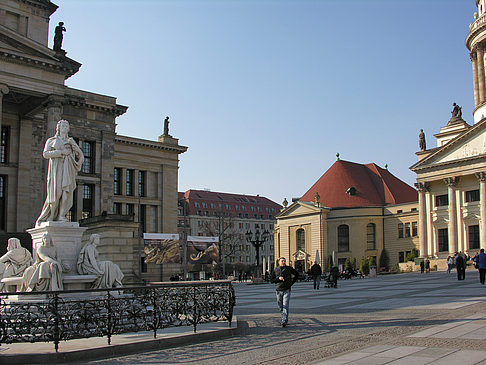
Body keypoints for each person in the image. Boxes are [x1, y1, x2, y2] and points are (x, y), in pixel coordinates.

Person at [36, 120, 84, 226]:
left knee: (66, 193)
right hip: (56, 169)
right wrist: (60, 153)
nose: (64, 127)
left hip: (68, 169)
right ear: (58, 128)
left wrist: (74, 149)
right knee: (56, 193)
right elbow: (45, 154)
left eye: (66, 126)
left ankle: (62, 215)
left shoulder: (71, 141)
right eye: (62, 126)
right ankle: (52, 215)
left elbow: (80, 155)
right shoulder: (52, 140)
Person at [270, 257, 299, 327]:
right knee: (280, 305)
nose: (283, 262)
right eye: (282, 261)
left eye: (284, 261)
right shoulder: (275, 269)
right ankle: (284, 315)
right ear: (278, 262)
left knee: (285, 304)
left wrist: (291, 282)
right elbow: (271, 280)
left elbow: (296, 274)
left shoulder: (289, 268)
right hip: (278, 289)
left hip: (287, 289)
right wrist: (278, 279)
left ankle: (284, 320)